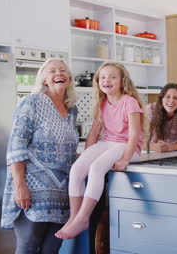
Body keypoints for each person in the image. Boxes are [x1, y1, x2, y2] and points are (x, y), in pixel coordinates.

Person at [55, 62, 144, 239]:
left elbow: (135, 134)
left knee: (96, 168)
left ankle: (83, 218)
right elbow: (94, 133)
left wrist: (125, 159)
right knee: (77, 169)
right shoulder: (103, 103)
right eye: (103, 77)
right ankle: (74, 216)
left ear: (122, 81)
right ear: (98, 82)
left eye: (112, 77)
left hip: (128, 146)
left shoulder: (130, 102)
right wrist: (87, 155)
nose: (107, 80)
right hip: (109, 143)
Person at [1, 58, 78, 253]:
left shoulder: (72, 110)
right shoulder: (32, 102)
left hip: (61, 195)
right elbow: (16, 146)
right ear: (44, 79)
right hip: (33, 193)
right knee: (27, 248)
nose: (58, 74)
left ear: (69, 77)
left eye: (62, 70)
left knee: (51, 249)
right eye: (52, 71)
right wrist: (20, 186)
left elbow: (66, 150)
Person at [146, 83, 177, 152]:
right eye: (167, 97)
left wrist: (170, 147)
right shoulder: (151, 109)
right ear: (161, 99)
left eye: (175, 98)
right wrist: (153, 146)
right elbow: (139, 142)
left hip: (175, 151)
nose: (171, 101)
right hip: (154, 150)